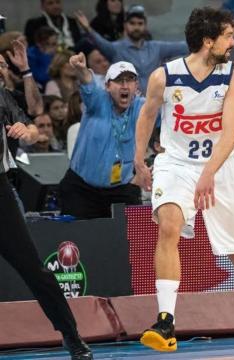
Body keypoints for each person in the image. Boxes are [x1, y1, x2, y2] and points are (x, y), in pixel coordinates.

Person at [132, 7, 234, 355]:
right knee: (168, 226)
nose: (233, 41)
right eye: (228, 35)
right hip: (177, 162)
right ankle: (165, 322)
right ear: (208, 41)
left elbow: (229, 134)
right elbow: (147, 114)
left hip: (222, 166)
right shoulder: (163, 77)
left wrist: (208, 173)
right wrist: (138, 159)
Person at [0, 67, 93, 360]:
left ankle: (71, 335)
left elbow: (32, 128)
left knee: (34, 269)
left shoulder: (2, 96)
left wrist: (25, 131)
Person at [59, 55, 143, 219]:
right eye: (119, 81)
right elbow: (88, 82)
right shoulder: (97, 101)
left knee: (130, 240)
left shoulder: (141, 106)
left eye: (130, 80)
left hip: (121, 189)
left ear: (136, 86)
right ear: (107, 86)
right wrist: (81, 69)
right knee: (79, 242)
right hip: (82, 189)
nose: (125, 86)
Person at [75, 5, 188, 94]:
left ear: (145, 26)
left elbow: (183, 46)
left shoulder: (156, 47)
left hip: (155, 106)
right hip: (127, 107)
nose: (136, 27)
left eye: (140, 23)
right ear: (125, 25)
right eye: (132, 23)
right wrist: (88, 29)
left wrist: (203, 41)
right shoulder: (115, 49)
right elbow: (99, 42)